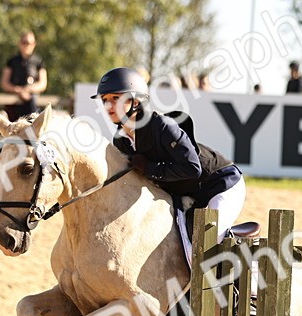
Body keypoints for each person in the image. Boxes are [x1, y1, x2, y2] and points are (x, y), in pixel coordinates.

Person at [92, 66, 245, 261]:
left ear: (136, 101)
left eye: (115, 99)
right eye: (105, 100)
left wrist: (149, 168)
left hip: (221, 184)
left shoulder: (163, 127)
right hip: (187, 195)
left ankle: (252, 281)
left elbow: (192, 168)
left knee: (203, 246)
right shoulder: (121, 141)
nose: (108, 106)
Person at [0, 30, 47, 120]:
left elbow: (43, 84)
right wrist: (18, 90)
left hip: (32, 100)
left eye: (29, 43)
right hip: (15, 100)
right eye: (24, 42)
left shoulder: (39, 61)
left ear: (34, 44)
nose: (26, 45)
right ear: (19, 43)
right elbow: (4, 83)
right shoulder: (12, 62)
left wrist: (28, 90)